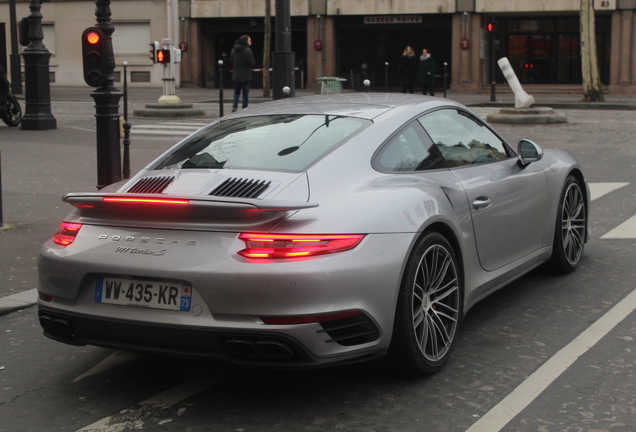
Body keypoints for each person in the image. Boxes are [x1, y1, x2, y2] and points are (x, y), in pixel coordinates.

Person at [229, 35, 256, 112]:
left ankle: (234, 106)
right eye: (249, 41)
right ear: (246, 41)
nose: (251, 42)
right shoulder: (248, 50)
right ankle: (244, 109)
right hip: (246, 76)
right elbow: (252, 63)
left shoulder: (233, 50)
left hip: (236, 75)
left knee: (236, 92)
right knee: (245, 94)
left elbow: (230, 61)